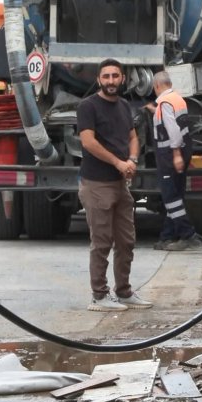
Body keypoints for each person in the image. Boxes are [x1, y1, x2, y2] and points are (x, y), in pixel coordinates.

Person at [77, 59, 154, 311]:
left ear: (123, 79)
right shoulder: (88, 107)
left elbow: (132, 136)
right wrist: (118, 163)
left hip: (120, 185)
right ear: (99, 79)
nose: (111, 81)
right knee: (101, 243)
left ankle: (124, 292)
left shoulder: (123, 106)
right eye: (106, 76)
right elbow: (88, 142)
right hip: (97, 184)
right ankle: (99, 297)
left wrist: (131, 159)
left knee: (126, 241)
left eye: (115, 76)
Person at [149, 71, 200, 251]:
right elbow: (173, 121)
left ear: (156, 86)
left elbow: (173, 131)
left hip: (169, 154)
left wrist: (176, 154)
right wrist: (154, 110)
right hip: (184, 150)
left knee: (170, 197)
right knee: (176, 195)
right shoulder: (177, 99)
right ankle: (167, 236)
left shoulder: (164, 104)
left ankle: (188, 234)